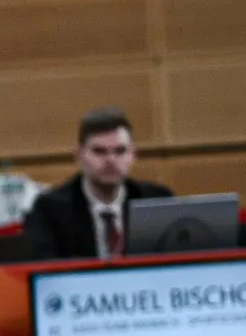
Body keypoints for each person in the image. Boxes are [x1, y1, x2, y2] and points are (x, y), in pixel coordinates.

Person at [23, 107, 172, 260]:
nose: (111, 160)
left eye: (120, 151)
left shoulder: (157, 200)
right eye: (99, 151)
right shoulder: (50, 209)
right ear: (79, 156)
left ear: (133, 155)